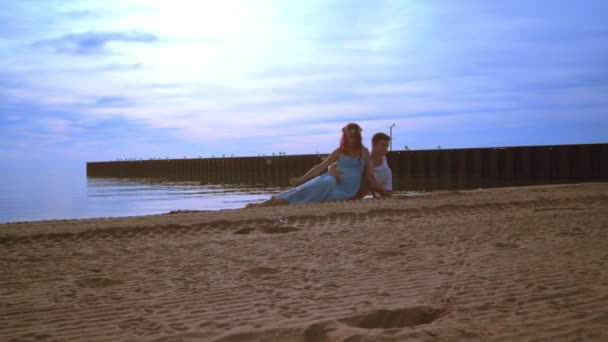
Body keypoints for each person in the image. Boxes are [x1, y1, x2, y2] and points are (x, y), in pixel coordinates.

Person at [248, 123, 384, 207]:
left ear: (358, 136)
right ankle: (276, 200)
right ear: (345, 136)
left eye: (354, 136)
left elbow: (369, 175)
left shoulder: (364, 152)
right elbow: (320, 167)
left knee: (321, 188)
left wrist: (381, 192)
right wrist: (301, 178)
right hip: (331, 179)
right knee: (314, 185)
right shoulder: (339, 152)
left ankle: (282, 201)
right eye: (348, 136)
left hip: (347, 188)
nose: (351, 138)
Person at [346, 132, 393, 199]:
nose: (385, 148)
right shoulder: (360, 159)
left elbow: (389, 193)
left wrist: (380, 190)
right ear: (374, 145)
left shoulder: (386, 171)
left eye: (387, 146)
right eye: (383, 145)